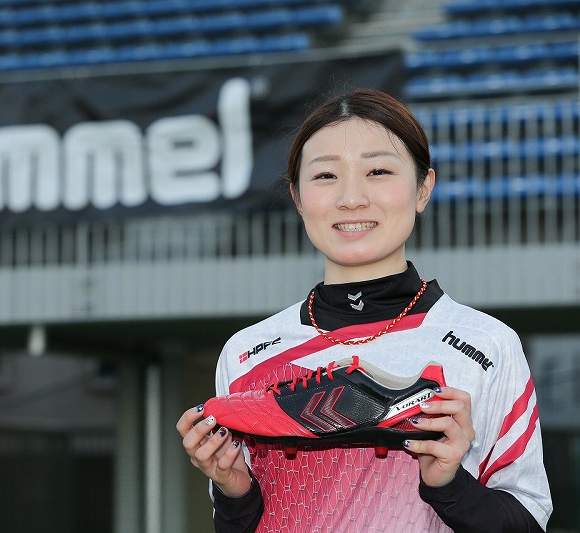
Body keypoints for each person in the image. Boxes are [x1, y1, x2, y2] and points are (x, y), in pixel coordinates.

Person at [176, 88, 552, 532]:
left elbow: (529, 522)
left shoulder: (487, 345)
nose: (351, 198)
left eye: (378, 171)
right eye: (325, 175)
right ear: (298, 198)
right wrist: (235, 492)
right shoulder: (246, 353)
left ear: (423, 189)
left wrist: (450, 486)